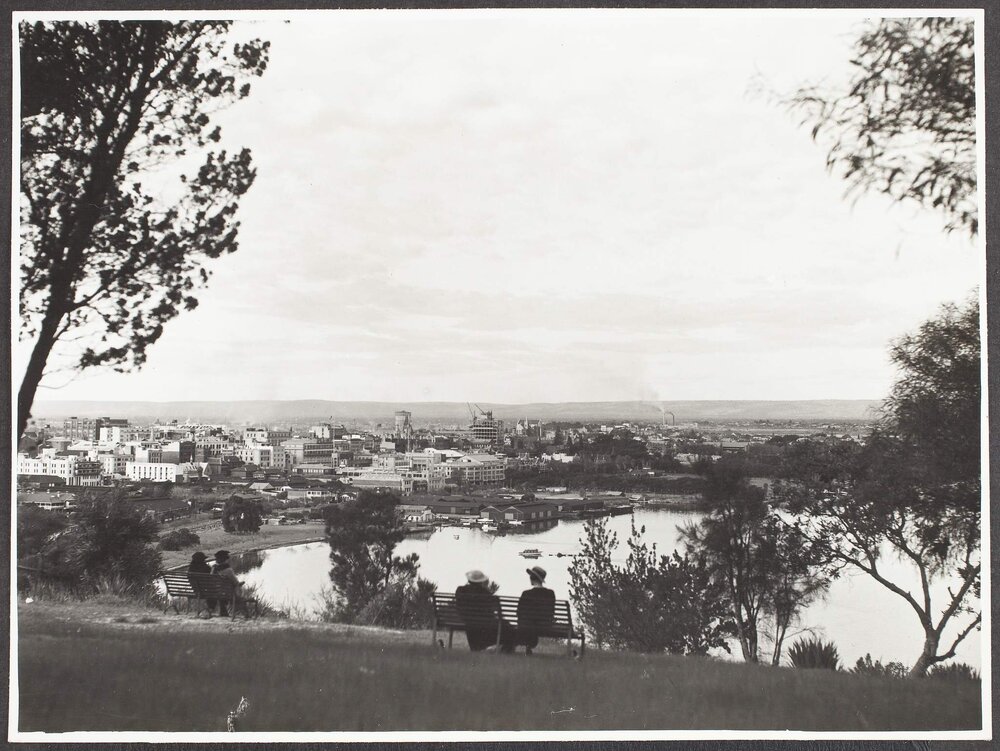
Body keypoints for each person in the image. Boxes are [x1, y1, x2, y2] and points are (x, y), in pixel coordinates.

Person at [454, 570, 517, 653]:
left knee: (477, 624)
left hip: (467, 622)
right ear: (481, 581)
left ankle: (480, 648)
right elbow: (490, 613)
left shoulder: (460, 590)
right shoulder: (485, 593)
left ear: (469, 580)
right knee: (507, 626)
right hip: (484, 624)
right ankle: (506, 648)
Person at [517, 565, 555, 655]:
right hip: (545, 626)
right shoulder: (550, 593)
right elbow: (551, 612)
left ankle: (528, 646)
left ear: (531, 578)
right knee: (532, 625)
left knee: (528, 624)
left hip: (526, 625)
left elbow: (518, 612)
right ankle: (529, 646)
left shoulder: (526, 594)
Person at [211, 550, 244, 617]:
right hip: (227, 592)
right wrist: (240, 584)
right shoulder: (228, 570)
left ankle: (223, 611)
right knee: (238, 587)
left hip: (215, 591)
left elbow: (211, 579)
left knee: (223, 589)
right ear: (225, 560)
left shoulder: (213, 569)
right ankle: (243, 612)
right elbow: (235, 582)